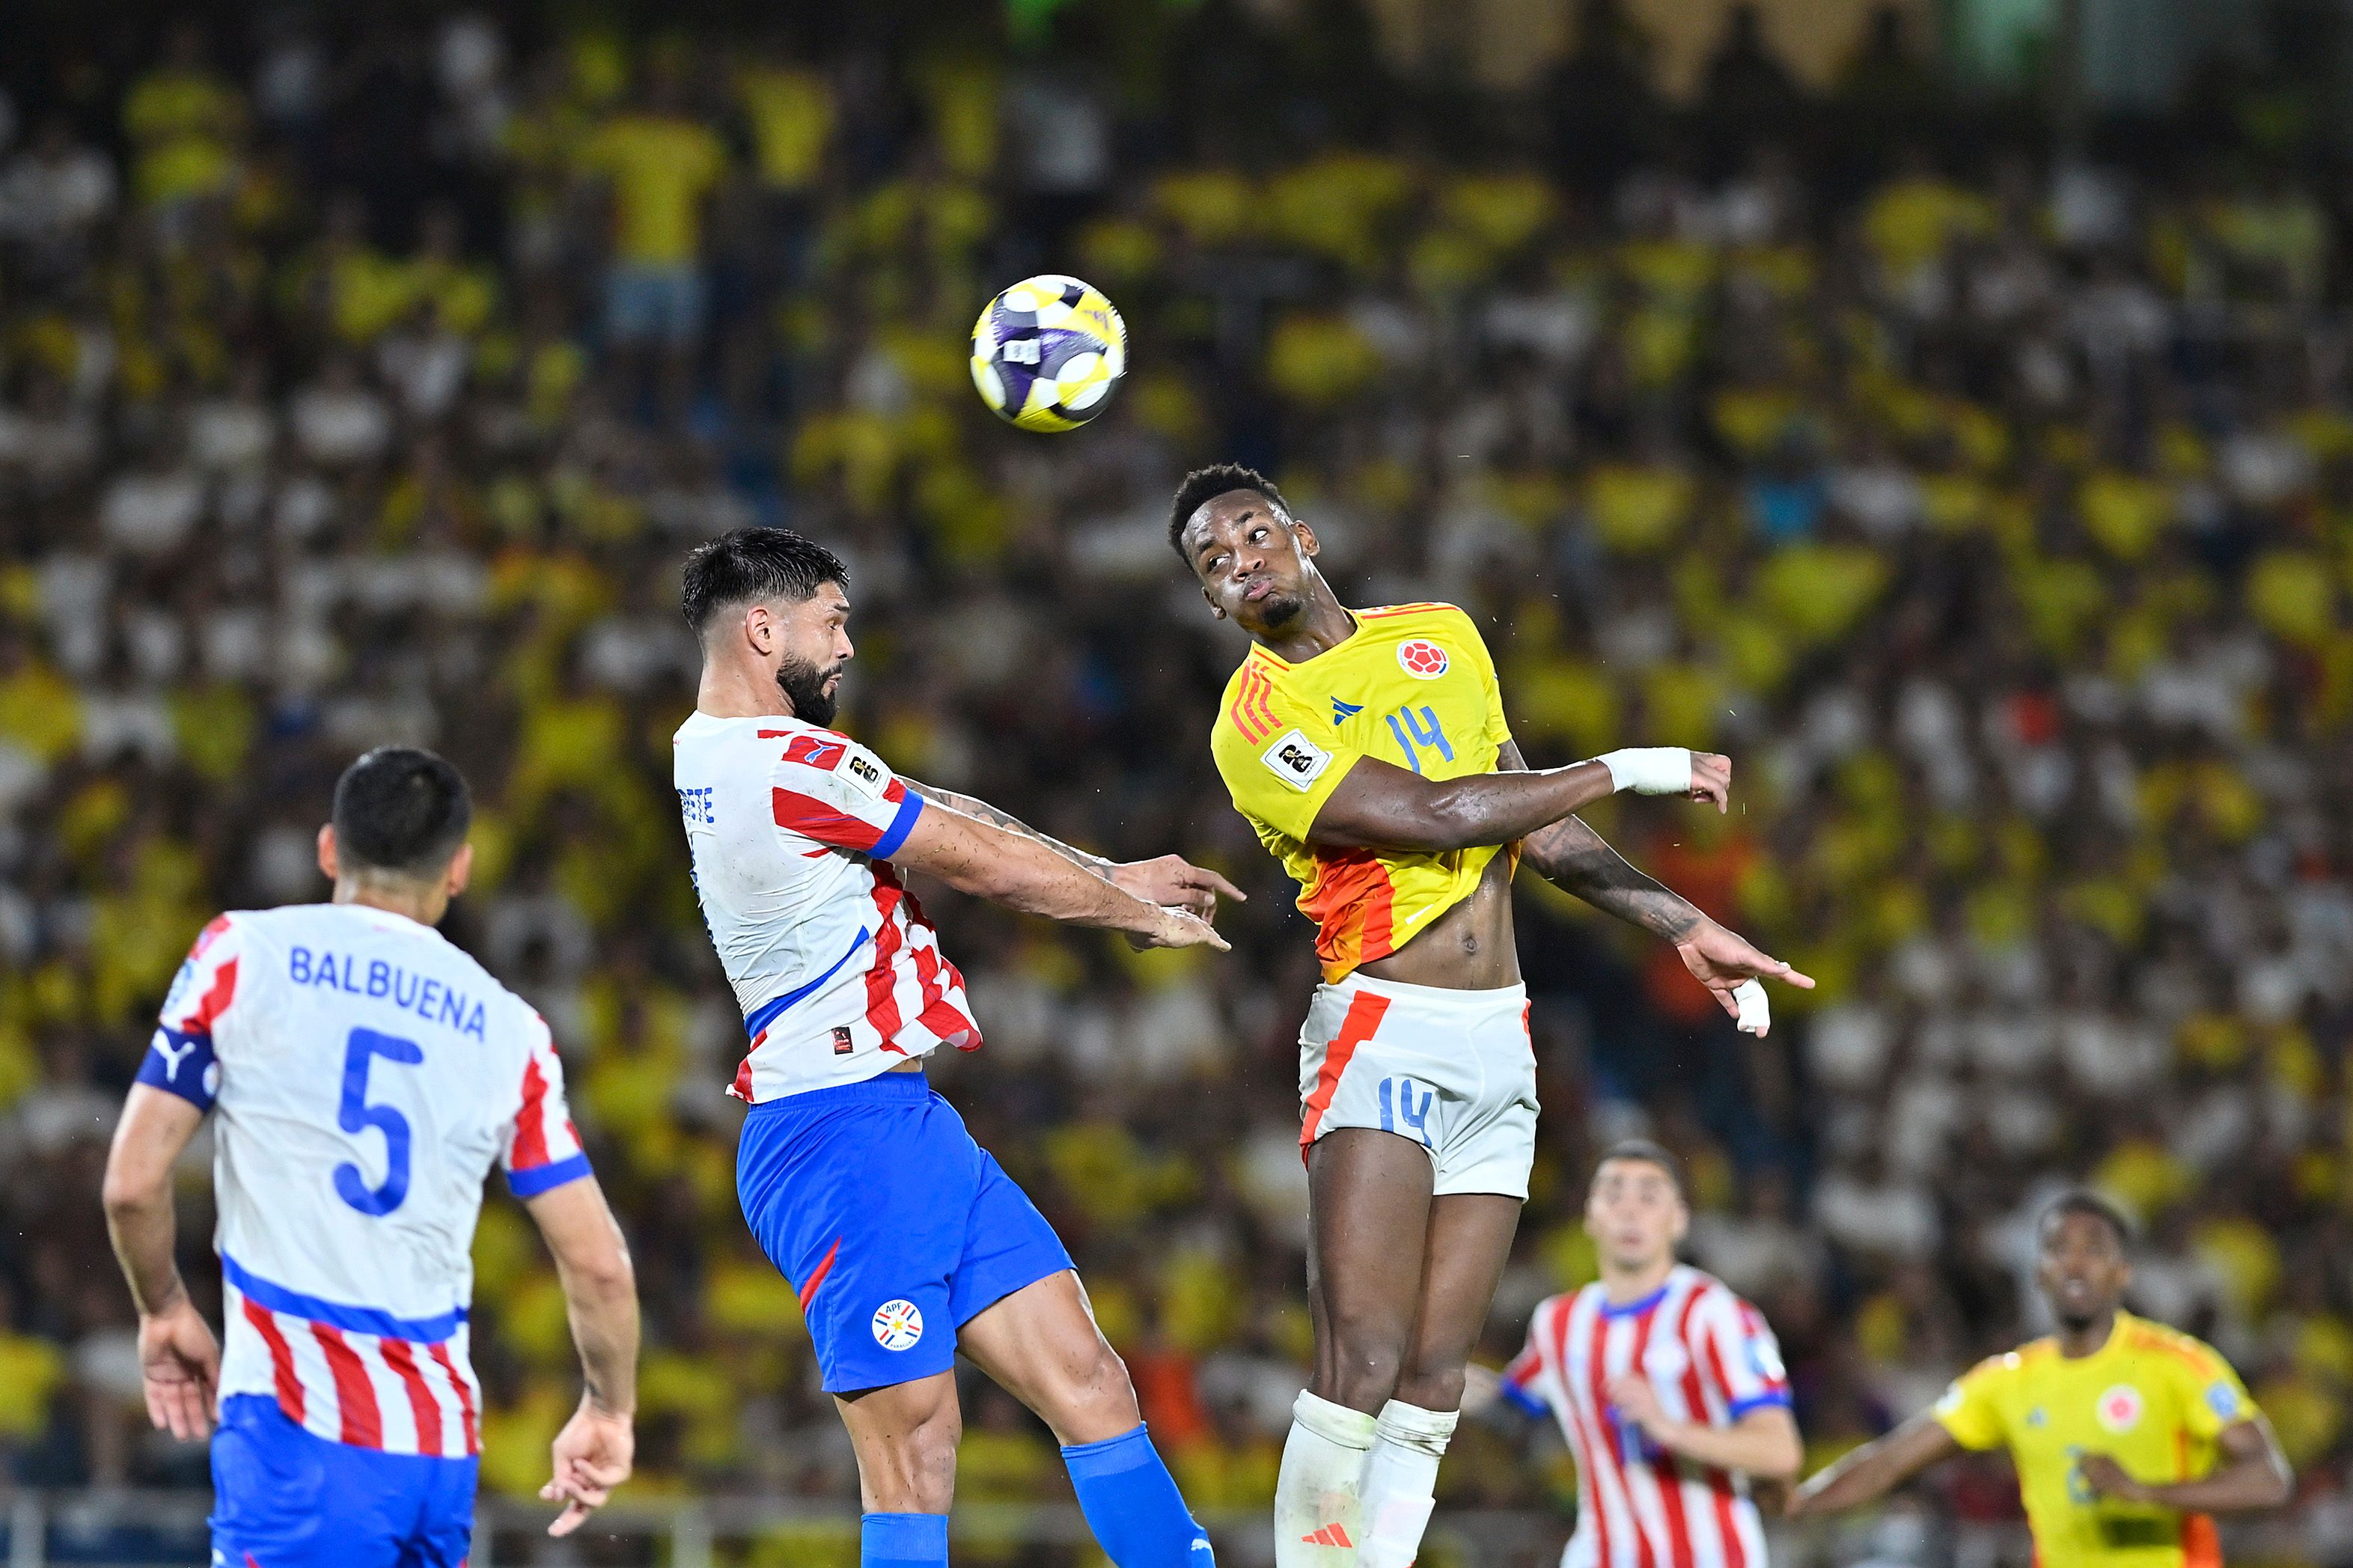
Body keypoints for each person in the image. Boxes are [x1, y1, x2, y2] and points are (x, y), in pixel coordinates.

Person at [1169, 463, 1814, 1567]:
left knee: (1429, 1379)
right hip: (1383, 1026)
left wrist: (1680, 924)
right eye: (1213, 562)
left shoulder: (1441, 633)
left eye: (1253, 533)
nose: (1241, 561)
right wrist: (1630, 764)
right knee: (1361, 1363)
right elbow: (1432, 814)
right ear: (1213, 603)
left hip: (1500, 1042)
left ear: (1303, 533)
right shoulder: (1254, 718)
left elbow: (1532, 828)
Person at [674, 527, 1237, 1568]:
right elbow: (978, 863)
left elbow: (938, 808)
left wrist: (1109, 862)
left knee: (1090, 1377)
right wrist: (1130, 912)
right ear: (765, 627)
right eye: (832, 620)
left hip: (899, 1119)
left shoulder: (729, 753)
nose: (847, 646)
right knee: (917, 1447)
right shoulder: (780, 762)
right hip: (834, 1129)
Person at [100, 748, 639, 1567]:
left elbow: (133, 1185)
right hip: (439, 1448)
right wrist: (609, 1406)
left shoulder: (242, 954)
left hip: (301, 1428)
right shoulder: (510, 1030)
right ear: (458, 869)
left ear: (328, 849)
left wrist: (164, 1307)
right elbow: (599, 1265)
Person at [1789, 1193, 2294, 1567]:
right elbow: (1890, 1460)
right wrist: (1801, 1500)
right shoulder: (2008, 1379)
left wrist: (2146, 1491)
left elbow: (2269, 1480)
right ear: (2040, 1272)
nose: (2075, 1261)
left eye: (2094, 1248)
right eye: (2058, 1248)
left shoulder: (2178, 1363)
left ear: (2122, 1272)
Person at [1474, 1141, 1801, 1568]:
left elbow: (1780, 1452)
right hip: (1601, 1554)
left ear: (1679, 1218)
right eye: (1613, 1195)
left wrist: (1669, 1428)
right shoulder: (1557, 1321)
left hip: (1712, 1555)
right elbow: (1509, 1404)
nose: (1630, 1211)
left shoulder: (1714, 1314)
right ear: (1589, 1215)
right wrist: (1435, 1380)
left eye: (1649, 1197)